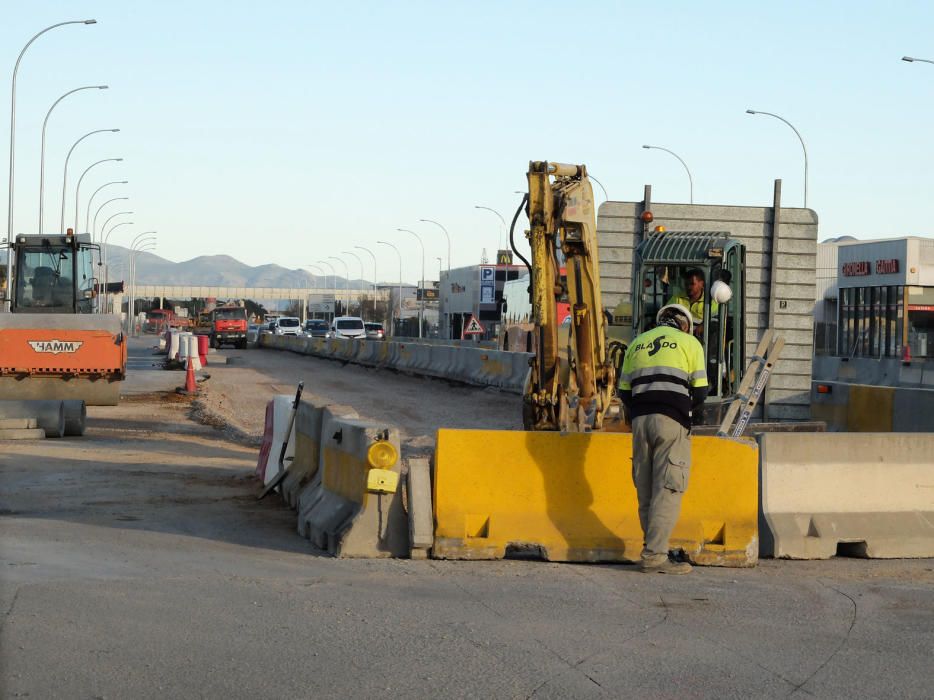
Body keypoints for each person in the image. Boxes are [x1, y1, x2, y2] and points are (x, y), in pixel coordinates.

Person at [618, 303, 709, 574]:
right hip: (671, 421)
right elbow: (701, 391)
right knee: (667, 490)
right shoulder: (689, 343)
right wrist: (687, 412)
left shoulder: (636, 343)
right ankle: (655, 556)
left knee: (646, 490)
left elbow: (624, 392)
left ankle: (651, 548)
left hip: (640, 421)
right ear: (685, 325)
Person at [668, 269, 717, 337]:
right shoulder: (677, 297)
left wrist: (704, 325)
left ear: (702, 284)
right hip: (679, 334)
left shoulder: (711, 301)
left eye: (692, 284)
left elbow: (716, 320)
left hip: (701, 337)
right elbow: (666, 312)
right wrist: (678, 321)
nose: (688, 287)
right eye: (686, 284)